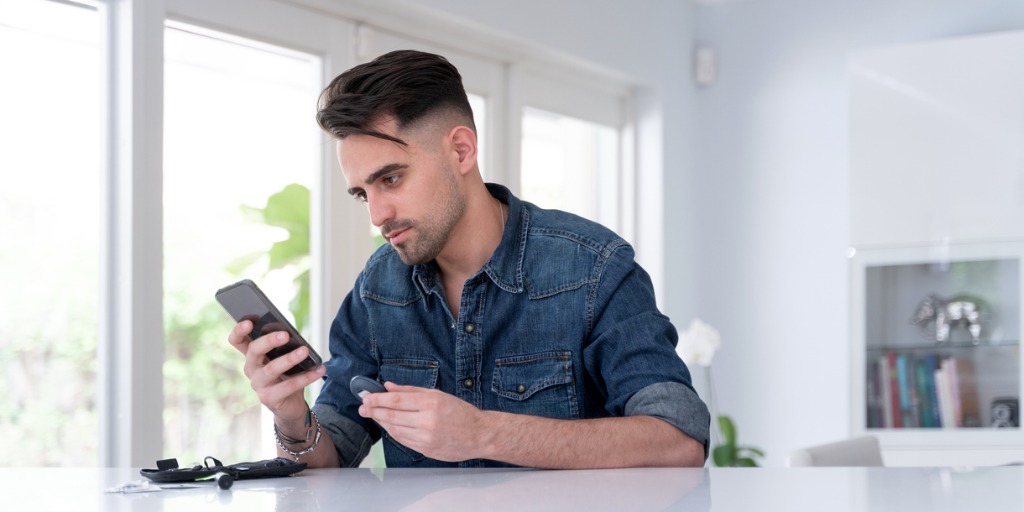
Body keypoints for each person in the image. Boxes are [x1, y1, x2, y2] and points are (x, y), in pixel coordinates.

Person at [228, 49, 710, 468]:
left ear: (460, 150)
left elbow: (679, 440)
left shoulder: (592, 267)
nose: (378, 214)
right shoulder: (379, 288)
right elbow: (331, 457)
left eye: (391, 179)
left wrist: (483, 432)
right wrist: (291, 414)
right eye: (363, 193)